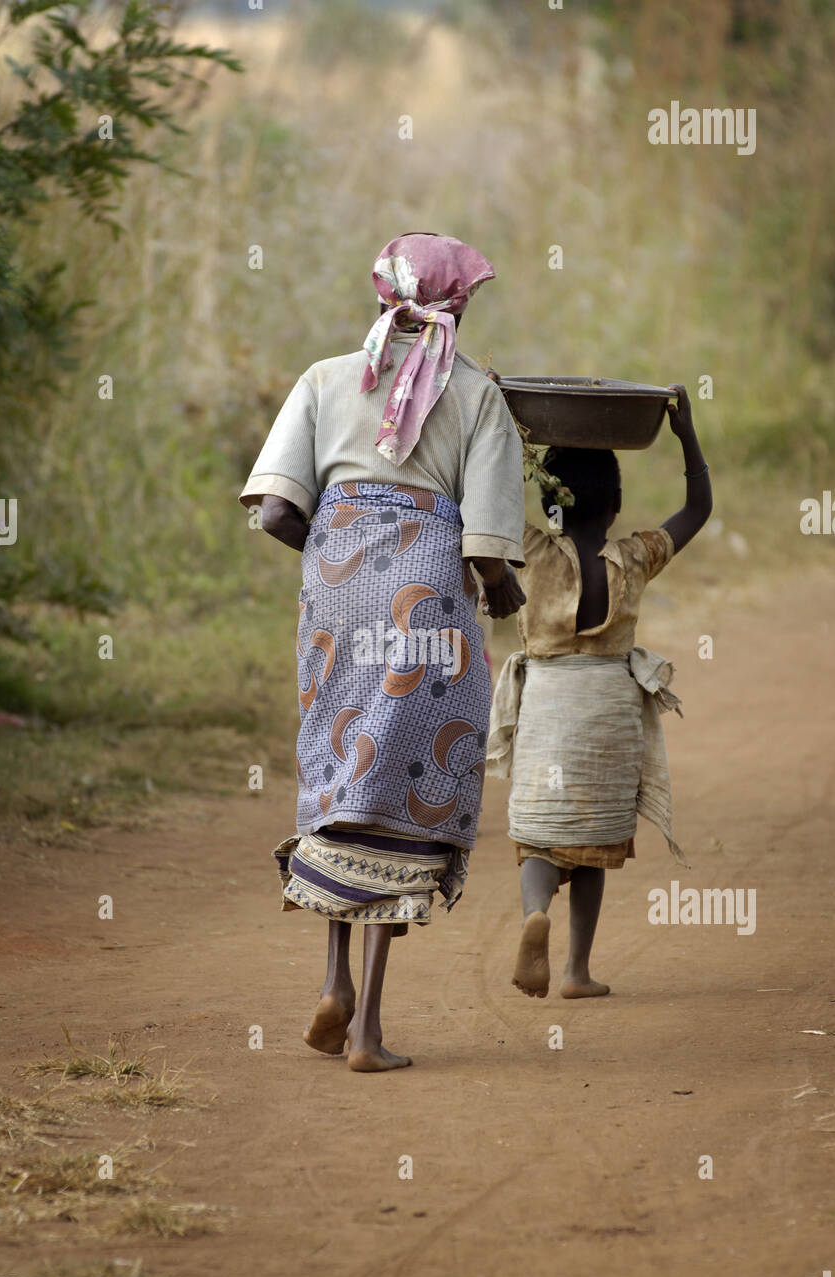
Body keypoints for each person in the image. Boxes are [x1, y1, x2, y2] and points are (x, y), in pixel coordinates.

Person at [240, 232, 526, 1070]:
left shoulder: (325, 379)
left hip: (336, 584)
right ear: (460, 306)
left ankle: (332, 984)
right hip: (428, 592)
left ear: (380, 294)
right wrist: (501, 588)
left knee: (340, 766)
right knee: (401, 783)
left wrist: (343, 561)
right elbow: (486, 548)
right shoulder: (478, 396)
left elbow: (274, 513)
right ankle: (366, 1029)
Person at [487, 385, 712, 1000]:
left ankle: (537, 913)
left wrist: (499, 427)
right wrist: (685, 434)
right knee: (596, 837)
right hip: (608, 708)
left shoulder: (529, 549)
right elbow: (697, 509)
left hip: (549, 705)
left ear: (548, 502)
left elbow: (480, 503)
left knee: (540, 832)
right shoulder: (635, 555)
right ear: (615, 503)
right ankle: (577, 972)